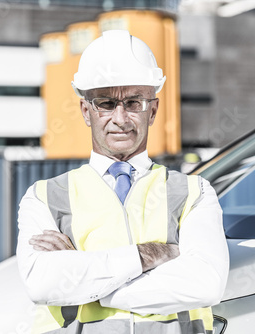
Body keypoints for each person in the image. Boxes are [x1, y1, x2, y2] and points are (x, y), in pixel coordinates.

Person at [16, 29, 229, 334]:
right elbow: (43, 283)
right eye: (105, 103)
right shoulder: (45, 197)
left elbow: (205, 284)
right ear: (86, 111)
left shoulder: (193, 193)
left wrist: (90, 282)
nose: (120, 118)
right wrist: (152, 254)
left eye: (133, 103)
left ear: (152, 110)